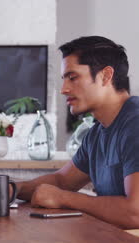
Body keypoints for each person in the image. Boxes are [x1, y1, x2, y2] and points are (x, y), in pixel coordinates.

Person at [15, 36, 139, 229]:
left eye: (73, 78)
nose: (64, 89)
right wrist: (13, 189)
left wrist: (63, 198)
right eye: (64, 79)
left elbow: (135, 213)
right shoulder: (97, 133)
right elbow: (62, 180)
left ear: (106, 76)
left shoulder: (135, 124)